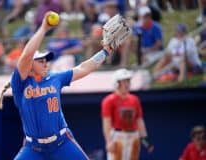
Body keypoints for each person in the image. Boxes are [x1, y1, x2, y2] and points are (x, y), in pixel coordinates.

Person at [10, 11, 115, 160]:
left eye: (46, 59)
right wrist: (44, 29)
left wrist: (105, 52)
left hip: (61, 142)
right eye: (40, 60)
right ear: (30, 66)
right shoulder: (20, 83)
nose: (45, 62)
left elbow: (83, 68)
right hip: (33, 148)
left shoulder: (55, 78)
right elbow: (26, 55)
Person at [101, 68, 154, 160]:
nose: (127, 84)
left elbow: (139, 120)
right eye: (124, 81)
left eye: (128, 81)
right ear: (117, 83)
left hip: (133, 135)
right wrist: (109, 141)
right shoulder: (109, 100)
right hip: (118, 136)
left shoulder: (134, 99)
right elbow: (107, 123)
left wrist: (145, 139)